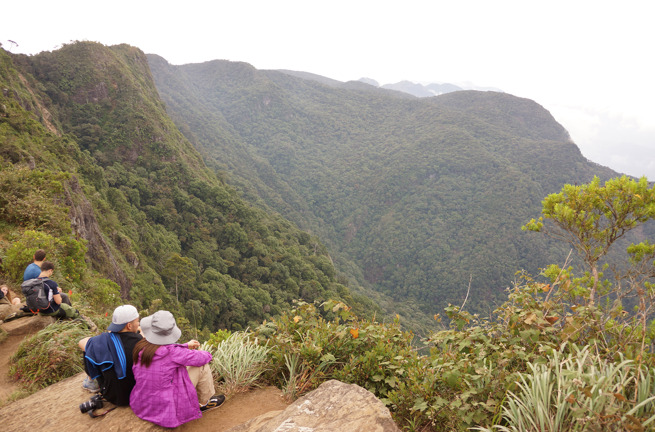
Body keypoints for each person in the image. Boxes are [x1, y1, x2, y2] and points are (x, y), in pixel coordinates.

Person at [130, 310, 225, 428]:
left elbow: (165, 349)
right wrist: (198, 352)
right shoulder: (173, 352)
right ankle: (206, 401)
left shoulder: (140, 346)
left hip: (143, 404)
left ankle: (204, 401)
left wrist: (185, 346)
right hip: (166, 409)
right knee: (202, 365)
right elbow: (205, 357)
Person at [79, 305, 142, 404]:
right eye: (137, 321)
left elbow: (81, 342)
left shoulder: (102, 341)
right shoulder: (141, 341)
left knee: (90, 349)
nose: (138, 323)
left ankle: (92, 383)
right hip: (137, 394)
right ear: (129, 326)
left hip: (112, 396)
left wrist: (109, 335)